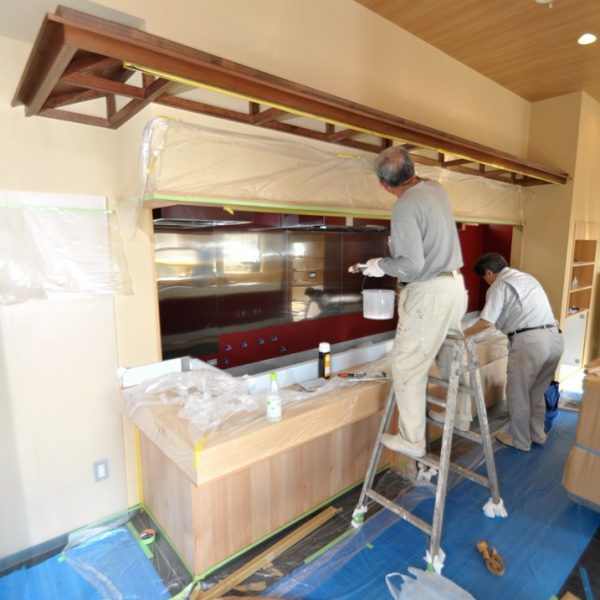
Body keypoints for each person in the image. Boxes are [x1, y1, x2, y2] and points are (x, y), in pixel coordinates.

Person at [362, 146, 468, 458]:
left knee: (406, 364)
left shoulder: (405, 206)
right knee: (451, 354)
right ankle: (461, 415)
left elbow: (411, 265)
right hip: (454, 286)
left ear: (384, 185)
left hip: (429, 292)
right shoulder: (436, 189)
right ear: (413, 170)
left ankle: (412, 440)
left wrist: (380, 265)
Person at [463, 252, 564, 451]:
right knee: (536, 392)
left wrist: (461, 334)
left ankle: (520, 441)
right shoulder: (527, 278)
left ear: (489, 272)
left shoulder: (499, 285)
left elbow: (486, 322)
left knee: (518, 393)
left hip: (531, 342)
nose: (486, 281)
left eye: (484, 277)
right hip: (554, 338)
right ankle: (537, 435)